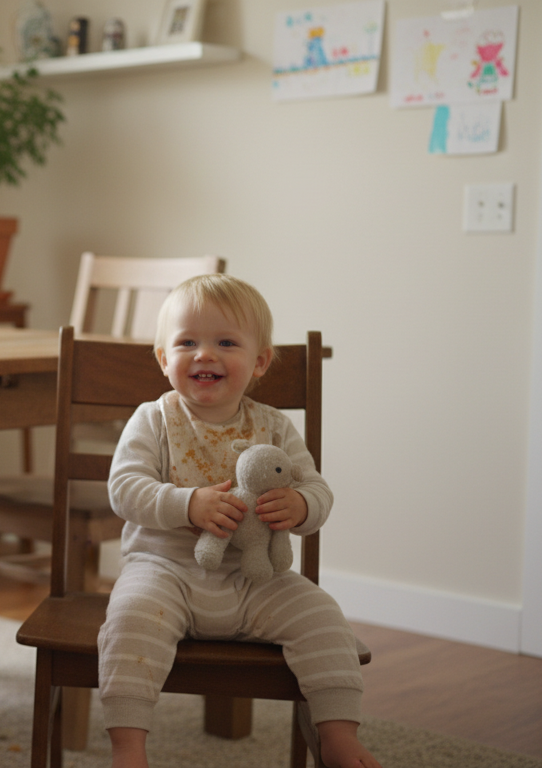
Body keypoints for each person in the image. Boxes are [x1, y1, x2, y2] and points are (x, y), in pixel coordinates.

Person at [99, 274, 382, 768]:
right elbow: (124, 490)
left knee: (324, 617)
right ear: (165, 359)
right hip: (165, 570)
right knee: (129, 621)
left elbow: (319, 491)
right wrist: (186, 503)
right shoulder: (153, 419)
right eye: (187, 342)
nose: (204, 354)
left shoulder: (274, 426)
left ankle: (337, 735)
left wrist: (299, 505)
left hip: (257, 579)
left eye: (225, 342)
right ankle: (129, 749)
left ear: (259, 362)